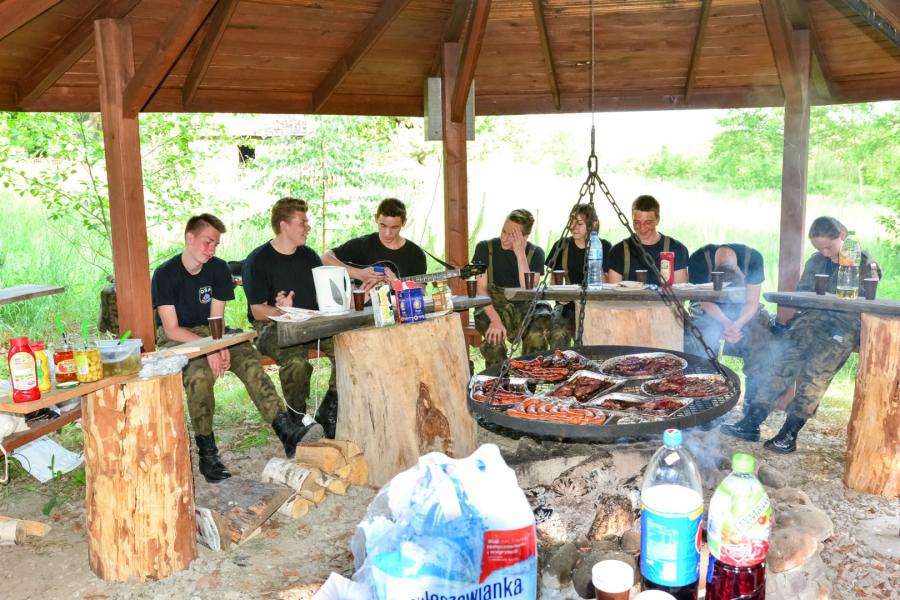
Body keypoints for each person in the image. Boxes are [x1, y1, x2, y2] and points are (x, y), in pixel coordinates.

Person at [152, 213, 323, 483]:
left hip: (214, 332)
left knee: (249, 361)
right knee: (199, 376)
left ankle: (286, 432)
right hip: (177, 338)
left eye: (216, 244)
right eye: (207, 242)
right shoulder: (165, 274)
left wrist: (219, 344)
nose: (212, 249)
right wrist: (210, 350)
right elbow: (171, 328)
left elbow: (216, 319)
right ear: (189, 238)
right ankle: (208, 453)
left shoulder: (218, 269)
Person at [721, 217, 881, 453]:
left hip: (842, 327)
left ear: (843, 236)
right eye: (819, 248)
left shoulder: (864, 263)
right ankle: (751, 421)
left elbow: (866, 300)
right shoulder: (816, 261)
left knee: (815, 376)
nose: (825, 253)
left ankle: (789, 434)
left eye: (828, 247)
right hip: (809, 322)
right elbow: (803, 293)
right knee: (779, 364)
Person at [242, 198, 339, 438]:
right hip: (271, 326)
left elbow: (323, 298)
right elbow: (257, 310)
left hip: (311, 323)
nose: (308, 227)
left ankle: (329, 410)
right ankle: (297, 419)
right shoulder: (258, 260)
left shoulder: (309, 257)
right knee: (296, 362)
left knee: (349, 348)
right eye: (302, 222)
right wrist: (281, 311)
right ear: (284, 225)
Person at [685, 243, 773, 409]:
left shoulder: (753, 258)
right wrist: (726, 322)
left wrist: (737, 325)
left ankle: (753, 404)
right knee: (700, 338)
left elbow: (752, 301)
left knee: (759, 338)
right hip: (709, 309)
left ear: (741, 272)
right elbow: (704, 302)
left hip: (743, 309)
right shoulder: (699, 260)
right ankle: (704, 400)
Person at [471, 209, 549, 368]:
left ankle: (531, 379)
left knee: (536, 337)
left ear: (524, 237)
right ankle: (498, 381)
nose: (504, 238)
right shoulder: (484, 248)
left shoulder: (536, 253)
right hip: (492, 306)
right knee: (494, 343)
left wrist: (520, 253)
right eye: (503, 231)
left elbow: (528, 288)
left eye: (512, 236)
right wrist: (495, 320)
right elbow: (481, 290)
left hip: (526, 307)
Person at [545, 204, 611, 349]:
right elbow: (553, 281)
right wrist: (560, 296)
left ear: (592, 225)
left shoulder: (604, 246)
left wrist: (596, 261)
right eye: (571, 222)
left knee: (597, 337)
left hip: (595, 305)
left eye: (579, 223)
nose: (573, 227)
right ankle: (560, 362)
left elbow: (609, 284)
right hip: (567, 307)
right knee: (558, 334)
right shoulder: (562, 245)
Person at [323, 198, 427, 289]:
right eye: (383, 225)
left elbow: (420, 293)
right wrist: (359, 274)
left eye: (394, 227)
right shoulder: (363, 244)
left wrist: (398, 286)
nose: (387, 233)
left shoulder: (415, 254)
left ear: (404, 222)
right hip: (359, 305)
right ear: (376, 218)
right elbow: (325, 258)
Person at [605, 195, 689, 285]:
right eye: (637, 222)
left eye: (648, 222)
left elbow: (680, 290)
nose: (642, 228)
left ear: (657, 220)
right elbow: (613, 291)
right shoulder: (619, 251)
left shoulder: (676, 249)